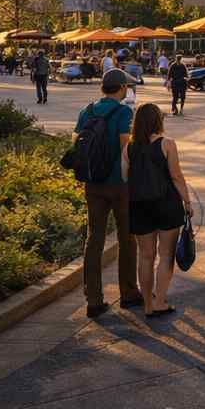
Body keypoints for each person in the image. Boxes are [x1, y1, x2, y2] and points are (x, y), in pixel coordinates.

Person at [76, 70, 141, 319]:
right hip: (120, 184)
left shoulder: (87, 111)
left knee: (94, 239)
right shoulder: (124, 112)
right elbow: (127, 148)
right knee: (127, 238)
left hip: (93, 184)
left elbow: (78, 143)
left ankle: (93, 298)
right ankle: (128, 293)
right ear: (122, 87)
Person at [124, 103, 192, 318]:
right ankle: (160, 301)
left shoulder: (129, 147)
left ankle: (147, 305)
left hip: (139, 205)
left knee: (145, 256)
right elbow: (176, 176)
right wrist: (187, 202)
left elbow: (125, 177)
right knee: (166, 255)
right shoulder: (167, 144)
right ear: (158, 121)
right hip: (166, 204)